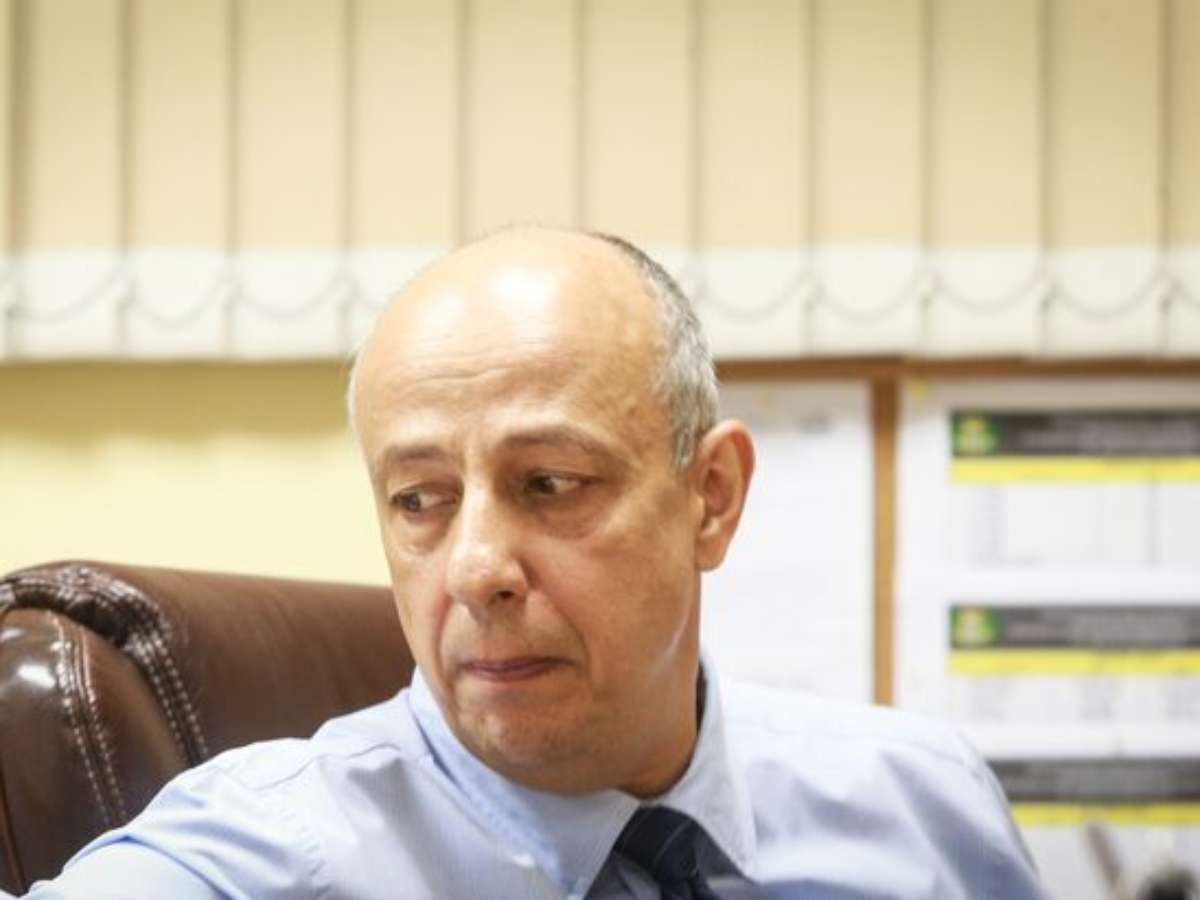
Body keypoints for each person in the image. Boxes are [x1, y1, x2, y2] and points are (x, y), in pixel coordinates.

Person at [20, 228, 1047, 899]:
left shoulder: (921, 805)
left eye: (551, 483)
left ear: (713, 497)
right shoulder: (262, 859)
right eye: (419, 500)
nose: (475, 569)